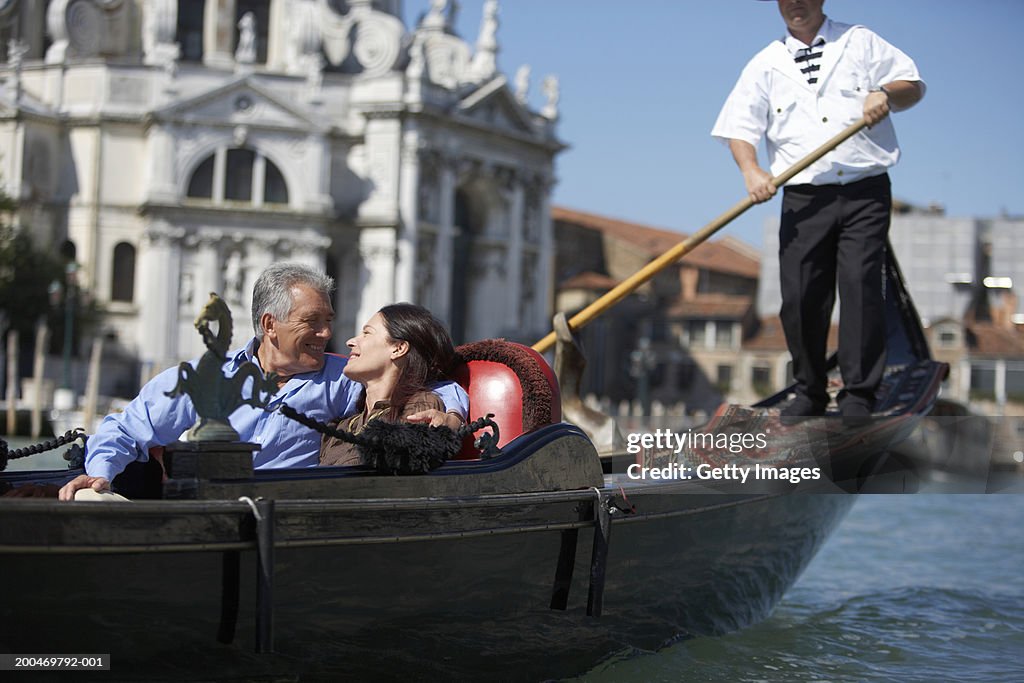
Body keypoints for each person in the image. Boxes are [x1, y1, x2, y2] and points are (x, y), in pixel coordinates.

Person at [58, 263, 468, 500]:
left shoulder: (340, 380)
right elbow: (126, 427)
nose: (328, 334)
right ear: (270, 325)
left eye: (328, 321)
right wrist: (100, 475)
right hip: (206, 516)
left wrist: (450, 414)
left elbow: (423, 385)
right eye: (314, 322)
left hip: (284, 524)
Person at [711, 0, 925, 423]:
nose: (795, 4)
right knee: (800, 296)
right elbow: (739, 128)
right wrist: (752, 170)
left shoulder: (859, 41)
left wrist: (884, 93)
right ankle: (808, 391)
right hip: (804, 196)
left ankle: (859, 394)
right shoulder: (765, 65)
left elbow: (912, 86)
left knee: (861, 285)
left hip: (864, 189)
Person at [320, 303, 459, 466]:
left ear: (398, 348)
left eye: (367, 333)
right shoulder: (342, 426)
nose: (350, 342)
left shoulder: (420, 407)